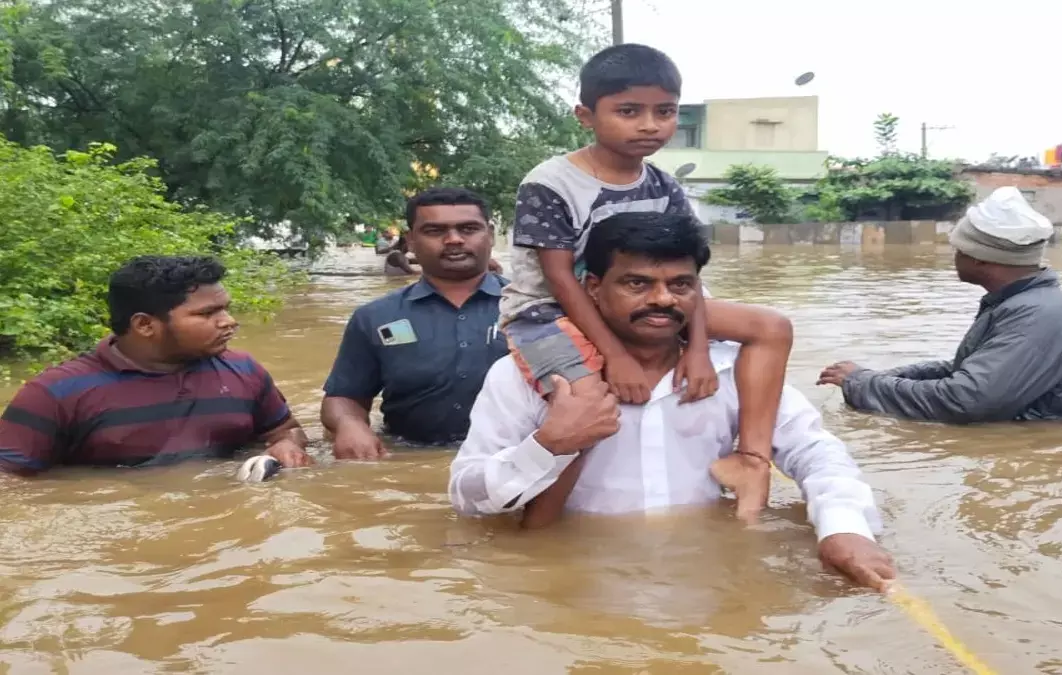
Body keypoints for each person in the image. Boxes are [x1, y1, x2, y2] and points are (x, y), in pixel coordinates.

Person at [451, 212, 892, 590]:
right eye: (637, 283)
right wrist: (548, 446)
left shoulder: (734, 371)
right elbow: (467, 498)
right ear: (593, 287)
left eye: (680, 284)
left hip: (710, 582)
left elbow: (818, 455)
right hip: (573, 585)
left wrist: (844, 530)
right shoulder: (524, 376)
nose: (662, 299)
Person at [500, 43, 793, 522]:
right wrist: (615, 357)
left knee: (772, 327)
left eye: (665, 111)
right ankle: (541, 527)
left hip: (639, 299)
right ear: (585, 116)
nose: (649, 125)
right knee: (586, 406)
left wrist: (697, 348)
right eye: (629, 111)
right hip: (548, 310)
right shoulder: (550, 183)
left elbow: (689, 274)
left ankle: (751, 460)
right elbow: (560, 278)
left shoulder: (662, 184)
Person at [0, 255, 312, 476]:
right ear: (145, 325)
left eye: (226, 309)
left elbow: (285, 430)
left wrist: (286, 446)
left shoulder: (243, 370)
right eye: (208, 314)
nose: (229, 322)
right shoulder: (56, 394)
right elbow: (11, 487)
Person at [818, 187, 1062, 423]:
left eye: (958, 248)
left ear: (979, 257)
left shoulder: (1038, 315)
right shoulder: (1022, 303)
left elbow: (966, 400)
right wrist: (882, 379)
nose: (953, 256)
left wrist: (865, 383)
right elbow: (966, 370)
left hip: (1037, 452)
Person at [321, 187, 510, 458]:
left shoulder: (535, 309)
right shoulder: (375, 317)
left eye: (468, 229)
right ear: (410, 240)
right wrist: (349, 424)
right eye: (435, 231)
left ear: (489, 234)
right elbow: (344, 397)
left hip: (514, 457)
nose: (454, 239)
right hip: (408, 456)